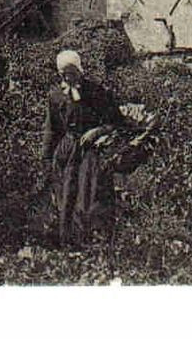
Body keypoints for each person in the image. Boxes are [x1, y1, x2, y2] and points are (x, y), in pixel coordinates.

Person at [42, 48, 130, 245]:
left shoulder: (96, 92)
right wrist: (47, 158)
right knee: (66, 194)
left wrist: (96, 131)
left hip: (91, 150)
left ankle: (93, 241)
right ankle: (67, 242)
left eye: (72, 72)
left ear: (80, 70)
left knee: (89, 193)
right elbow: (51, 129)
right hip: (67, 151)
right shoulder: (56, 96)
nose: (68, 77)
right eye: (64, 73)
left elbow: (116, 121)